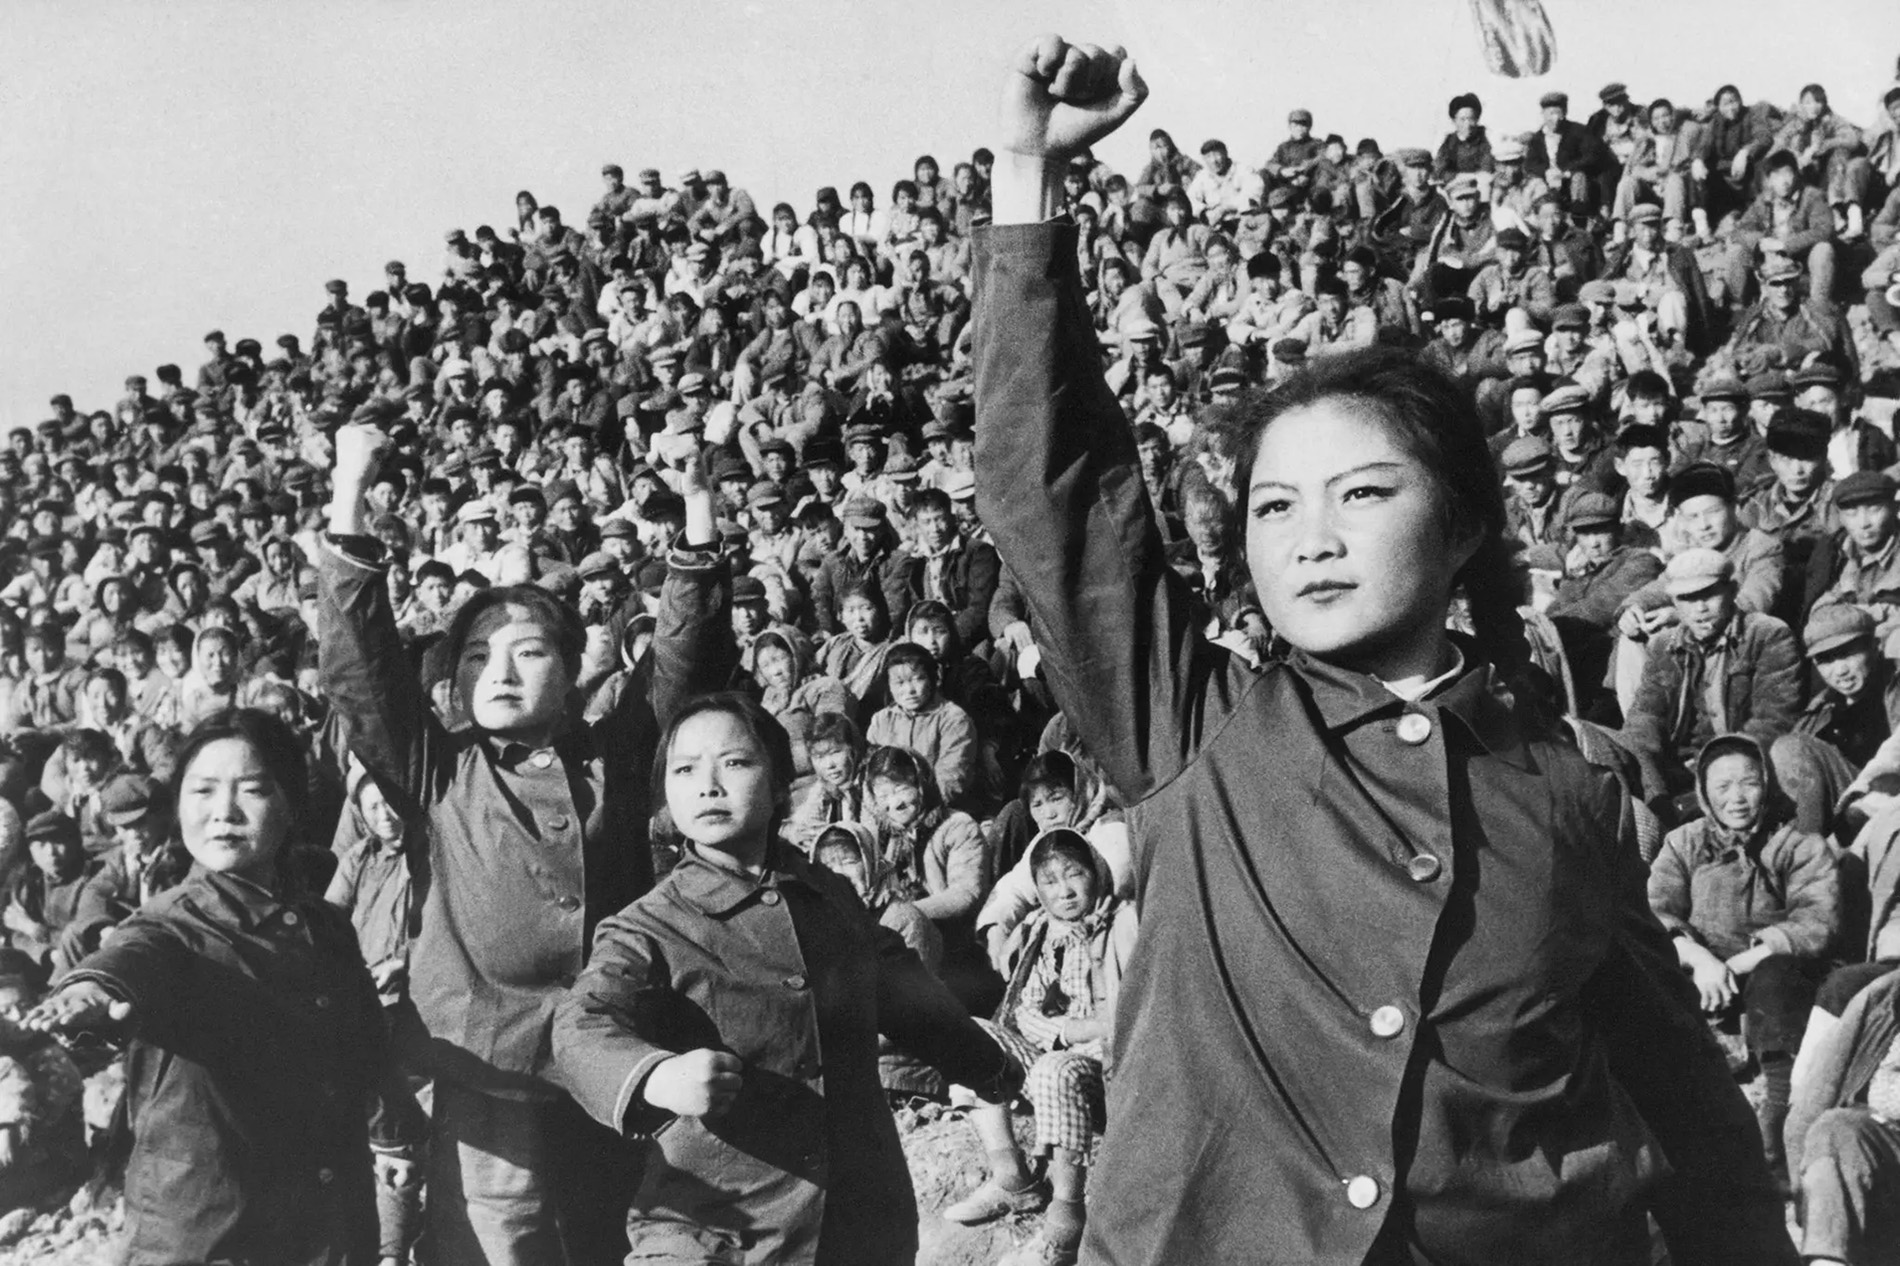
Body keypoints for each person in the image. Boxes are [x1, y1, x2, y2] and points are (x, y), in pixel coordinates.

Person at [974, 35, 1790, 1264]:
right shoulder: (1194, 734)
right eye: (1273, 507)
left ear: (1460, 524)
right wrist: (1031, 178)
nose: (1311, 540)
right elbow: (1056, 495)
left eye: (1360, 495)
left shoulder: (1570, 791)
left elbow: (1678, 1095)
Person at [318, 424, 736, 1265]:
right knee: (492, 1246)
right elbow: (361, 665)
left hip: (616, 1053)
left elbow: (686, 666)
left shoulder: (612, 756)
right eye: (476, 658)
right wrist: (350, 489)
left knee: (614, 1236)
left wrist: (696, 504)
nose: (498, 674)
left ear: (576, 665)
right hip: (486, 1062)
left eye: (527, 652)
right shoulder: (437, 764)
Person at [549, 693, 1020, 1266]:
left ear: (779, 786)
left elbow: (904, 991)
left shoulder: (833, 896)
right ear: (667, 798)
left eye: (736, 762)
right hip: (720, 1231)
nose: (709, 784)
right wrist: (654, 1076)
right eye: (685, 769)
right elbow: (581, 1024)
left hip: (863, 1219)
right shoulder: (648, 925)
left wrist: (987, 1066)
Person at [21, 709, 424, 1266]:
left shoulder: (326, 928)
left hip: (327, 1227)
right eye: (202, 790)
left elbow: (364, 1047)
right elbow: (130, 957)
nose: (223, 813)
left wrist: (393, 1133)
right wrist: (88, 989)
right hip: (208, 1238)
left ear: (290, 805)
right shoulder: (171, 925)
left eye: (252, 790)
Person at [944, 828, 1139, 1265]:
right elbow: (1024, 1011)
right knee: (970, 1034)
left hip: (1109, 1066)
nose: (1064, 891)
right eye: (1049, 881)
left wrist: (1072, 1031)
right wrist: (1059, 1031)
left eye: (1075, 874)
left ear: (1097, 873)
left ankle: (1064, 1227)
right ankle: (1013, 1178)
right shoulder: (1040, 931)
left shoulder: (1124, 922)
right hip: (1056, 1051)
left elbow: (1133, 1011)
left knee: (1055, 1069)